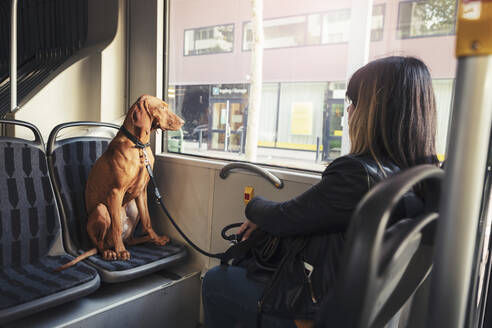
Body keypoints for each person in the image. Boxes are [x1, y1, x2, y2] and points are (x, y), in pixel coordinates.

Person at [202, 56, 439, 328]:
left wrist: (254, 206)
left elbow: (284, 217)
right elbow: (313, 212)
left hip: (321, 314)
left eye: (355, 102)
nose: (349, 111)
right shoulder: (420, 178)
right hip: (367, 313)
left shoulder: (356, 174)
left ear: (375, 113)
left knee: (216, 282)